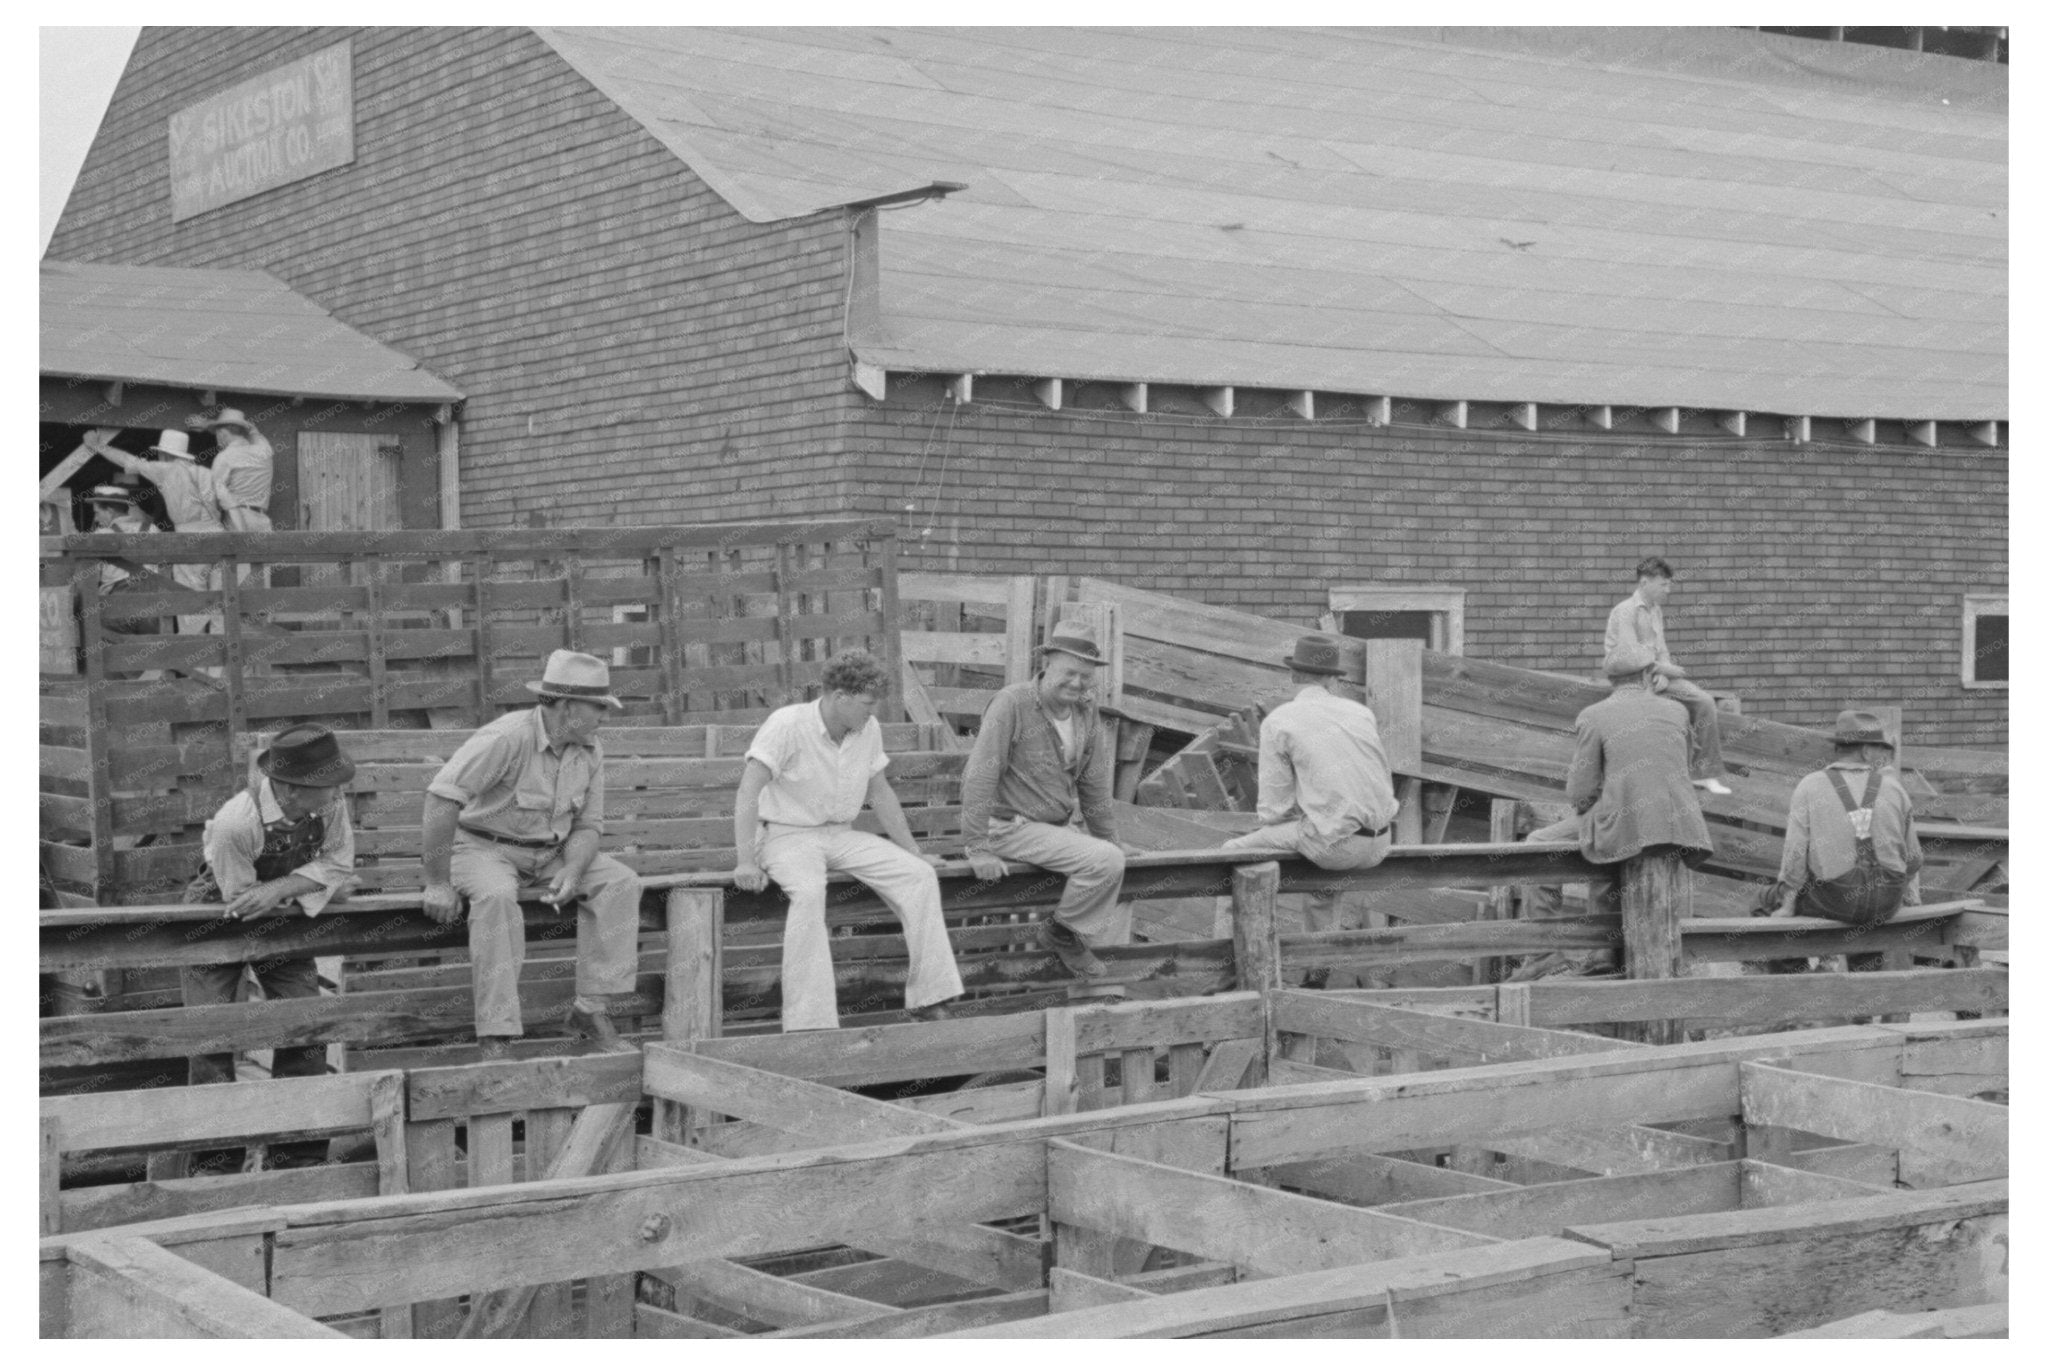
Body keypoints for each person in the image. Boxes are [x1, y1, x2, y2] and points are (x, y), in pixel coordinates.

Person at [421, 651, 644, 1058]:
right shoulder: (506, 737)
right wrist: (436, 882)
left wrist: (575, 870)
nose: (604, 717)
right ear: (564, 705)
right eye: (598, 707)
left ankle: (589, 1011)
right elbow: (442, 800)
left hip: (552, 854)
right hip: (484, 849)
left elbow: (588, 826)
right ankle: (497, 1035)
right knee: (496, 899)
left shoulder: (590, 749)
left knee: (620, 882)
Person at [731, 649, 965, 1030]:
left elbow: (880, 791)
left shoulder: (866, 730)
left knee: (918, 876)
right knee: (808, 893)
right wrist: (745, 860)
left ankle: (930, 997)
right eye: (867, 704)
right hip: (786, 836)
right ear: (839, 696)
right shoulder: (787, 724)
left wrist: (915, 852)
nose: (872, 713)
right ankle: (811, 1024)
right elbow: (747, 792)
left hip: (840, 834)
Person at [180, 724, 357, 1168]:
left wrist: (281, 888)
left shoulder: (330, 806)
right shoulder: (235, 824)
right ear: (294, 790)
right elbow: (242, 900)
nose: (338, 795)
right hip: (219, 911)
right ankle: (215, 1164)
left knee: (305, 1023)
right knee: (212, 1032)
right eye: (329, 787)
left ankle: (298, 1158)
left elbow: (338, 862)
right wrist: (307, 886)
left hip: (280, 910)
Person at [1221, 635, 1398, 988]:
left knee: (1230, 854)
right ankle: (1316, 974)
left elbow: (1274, 807)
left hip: (1337, 847)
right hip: (1381, 842)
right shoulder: (1361, 713)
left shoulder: (1281, 720)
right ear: (1333, 679)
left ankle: (1228, 965)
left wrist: (1288, 822)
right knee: (1323, 877)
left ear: (1293, 677)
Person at [960, 620, 1129, 978]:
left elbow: (1094, 783)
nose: (1077, 683)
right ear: (1047, 663)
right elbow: (981, 774)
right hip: (1010, 827)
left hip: (1057, 829)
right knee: (1105, 862)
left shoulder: (1085, 709)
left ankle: (1100, 991)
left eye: (1086, 676)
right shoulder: (1013, 703)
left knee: (1124, 876)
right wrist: (977, 846)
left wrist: (1111, 840)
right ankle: (1060, 934)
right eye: (1069, 673)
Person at [1765, 709, 1923, 972]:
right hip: (1886, 903)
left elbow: (1794, 857)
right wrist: (1893, 890)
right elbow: (1914, 859)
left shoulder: (1810, 786)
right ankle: (1861, 1001)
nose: (1881, 756)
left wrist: (1788, 903)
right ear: (1865, 752)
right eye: (1878, 749)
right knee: (1866, 922)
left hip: (1836, 900)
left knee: (1762, 902)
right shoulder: (1894, 789)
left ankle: (1798, 983)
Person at [1563, 637, 1715, 911]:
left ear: (1610, 679)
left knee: (1539, 842)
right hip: (1680, 829)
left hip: (1625, 827)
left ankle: (1551, 954)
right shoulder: (1678, 711)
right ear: (1648, 674)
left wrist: (1590, 810)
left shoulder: (1593, 715)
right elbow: (1684, 766)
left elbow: (1579, 792)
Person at [1605, 557, 1734, 796]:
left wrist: (1663, 668)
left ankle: (1705, 775)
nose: (1668, 590)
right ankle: (1652, 781)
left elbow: (1661, 648)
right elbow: (1629, 656)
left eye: (1668, 584)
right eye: (1663, 584)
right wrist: (1660, 670)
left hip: (1655, 674)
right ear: (1645, 582)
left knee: (1704, 702)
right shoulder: (1625, 612)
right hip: (1629, 680)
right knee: (1664, 716)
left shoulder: (1656, 610)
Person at [87, 428, 223, 636]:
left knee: (191, 601)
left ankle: (195, 660)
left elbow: (128, 461)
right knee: (219, 602)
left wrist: (98, 446)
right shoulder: (206, 473)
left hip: (191, 538)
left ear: (164, 454)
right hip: (219, 535)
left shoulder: (166, 469)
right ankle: (218, 666)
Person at [81, 484, 164, 678]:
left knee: (97, 635)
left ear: (109, 511)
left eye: (97, 512)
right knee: (150, 656)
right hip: (153, 609)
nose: (96, 518)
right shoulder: (152, 529)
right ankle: (149, 688)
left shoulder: (102, 536)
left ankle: (120, 691)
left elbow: (89, 579)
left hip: (119, 609)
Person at [191, 407, 275, 533]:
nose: (216, 438)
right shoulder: (264, 449)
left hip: (237, 520)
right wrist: (212, 424)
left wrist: (206, 424)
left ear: (222, 434)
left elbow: (212, 495)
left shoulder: (225, 457)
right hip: (262, 522)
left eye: (217, 433)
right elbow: (253, 431)